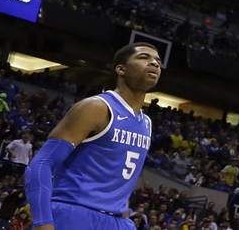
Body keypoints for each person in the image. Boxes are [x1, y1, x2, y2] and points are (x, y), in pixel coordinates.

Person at [24, 43, 162, 230]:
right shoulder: (96, 107)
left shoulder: (146, 123)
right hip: (74, 214)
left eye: (158, 61)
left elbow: (119, 183)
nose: (154, 63)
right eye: (144, 57)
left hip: (117, 221)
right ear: (121, 69)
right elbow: (41, 164)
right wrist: (43, 223)